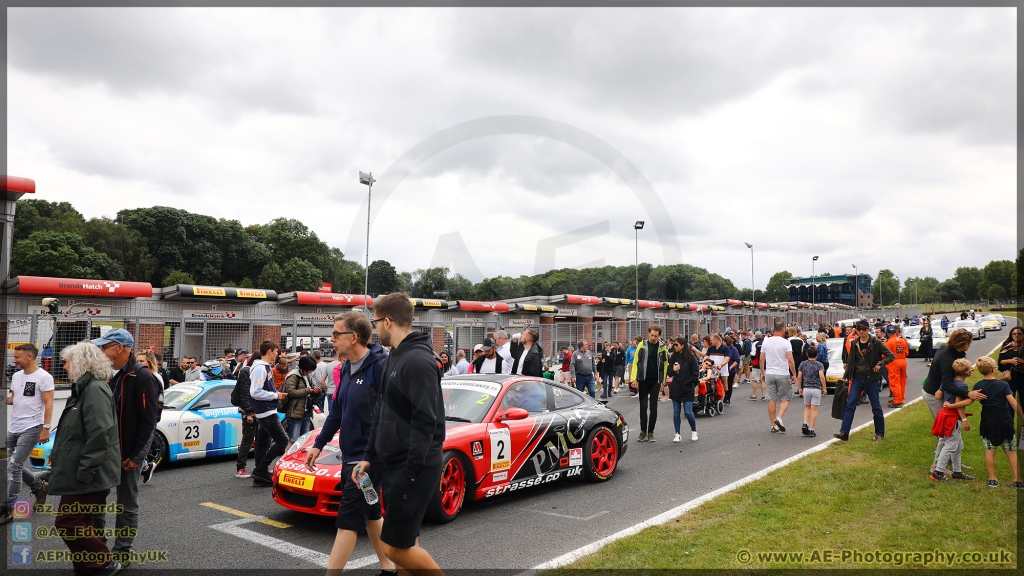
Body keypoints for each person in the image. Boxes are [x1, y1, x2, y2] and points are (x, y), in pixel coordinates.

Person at [352, 293, 445, 573]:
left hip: (413, 466)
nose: (375, 327)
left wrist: (411, 471)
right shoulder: (393, 358)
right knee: (406, 542)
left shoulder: (418, 361)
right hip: (393, 463)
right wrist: (369, 456)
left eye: (376, 321)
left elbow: (425, 421)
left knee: (392, 548)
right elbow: (381, 411)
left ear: (388, 321)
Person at [304, 311, 395, 575]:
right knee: (372, 512)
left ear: (353, 337)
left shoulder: (380, 366)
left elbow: (391, 415)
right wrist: (318, 445)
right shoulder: (345, 367)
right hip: (351, 455)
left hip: (367, 460)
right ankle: (389, 566)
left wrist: (372, 454)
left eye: (336, 333)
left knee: (348, 521)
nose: (331, 339)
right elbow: (337, 414)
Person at [46, 342, 123, 575]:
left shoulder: (94, 389)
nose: (64, 365)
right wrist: (57, 453)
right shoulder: (84, 388)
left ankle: (103, 562)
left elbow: (100, 433)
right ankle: (87, 565)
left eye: (67, 361)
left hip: (86, 471)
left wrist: (86, 471)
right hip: (81, 467)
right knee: (82, 520)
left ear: (80, 363)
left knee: (67, 522)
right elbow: (76, 431)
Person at [92, 328, 162, 565]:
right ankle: (98, 550)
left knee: (126, 504)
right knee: (96, 501)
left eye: (106, 346)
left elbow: (149, 420)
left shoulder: (141, 375)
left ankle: (123, 551)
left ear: (120, 347)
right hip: (106, 454)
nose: (102, 351)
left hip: (127, 455)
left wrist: (137, 456)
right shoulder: (113, 374)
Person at [1, 343, 53, 524]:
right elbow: (13, 399)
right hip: (14, 426)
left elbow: (49, 403)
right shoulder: (16, 376)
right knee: (12, 463)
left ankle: (8, 508)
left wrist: (46, 428)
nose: (13, 360)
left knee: (13, 466)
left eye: (17, 357)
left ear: (29, 357)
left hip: (32, 426)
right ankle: (39, 486)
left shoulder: (44, 377)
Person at [835, 320, 895, 442]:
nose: (861, 331)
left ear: (868, 329)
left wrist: (880, 363)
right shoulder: (854, 343)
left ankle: (879, 433)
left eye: (863, 329)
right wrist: (845, 377)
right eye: (859, 329)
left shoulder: (876, 342)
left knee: (876, 406)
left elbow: (891, 356)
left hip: (871, 379)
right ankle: (844, 432)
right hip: (857, 378)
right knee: (850, 404)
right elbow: (851, 361)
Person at [970, 356, 1024, 489]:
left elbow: (971, 400)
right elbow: (1012, 402)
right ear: (994, 370)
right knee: (1011, 450)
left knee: (990, 449)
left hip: (988, 420)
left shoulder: (978, 385)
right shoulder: (1003, 385)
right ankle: (1018, 480)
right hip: (1004, 420)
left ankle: (992, 478)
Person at [249, 340, 291, 487]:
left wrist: (276, 393)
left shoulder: (264, 367)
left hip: (264, 410)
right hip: (266, 411)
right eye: (276, 352)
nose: (277, 355)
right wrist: (275, 396)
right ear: (269, 351)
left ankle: (259, 477)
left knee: (262, 444)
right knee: (282, 441)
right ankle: (260, 470)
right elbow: (255, 391)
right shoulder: (261, 368)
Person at [930, 359, 976, 483]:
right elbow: (958, 404)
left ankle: (957, 471)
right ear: (968, 372)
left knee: (958, 445)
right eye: (971, 368)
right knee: (950, 445)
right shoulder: (962, 386)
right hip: (952, 417)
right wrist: (964, 419)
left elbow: (938, 396)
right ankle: (938, 472)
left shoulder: (947, 382)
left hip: (944, 415)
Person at [629, 326, 668, 442]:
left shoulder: (662, 347)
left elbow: (665, 365)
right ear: (648, 334)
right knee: (643, 406)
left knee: (653, 408)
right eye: (652, 335)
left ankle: (651, 432)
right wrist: (634, 379)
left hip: (655, 380)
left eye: (656, 336)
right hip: (643, 380)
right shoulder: (642, 345)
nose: (653, 338)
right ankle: (642, 431)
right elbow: (636, 361)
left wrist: (663, 381)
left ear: (659, 336)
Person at [760, 320, 796, 433]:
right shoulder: (786, 342)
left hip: (769, 373)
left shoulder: (766, 342)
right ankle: (779, 417)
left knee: (771, 399)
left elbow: (761, 359)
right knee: (785, 398)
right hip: (782, 373)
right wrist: (794, 373)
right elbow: (790, 359)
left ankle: (773, 425)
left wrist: (762, 373)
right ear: (783, 330)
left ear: (773, 329)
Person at [134, 349, 163, 484]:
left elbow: (159, 400)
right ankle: (146, 466)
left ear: (150, 363)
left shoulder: (155, 377)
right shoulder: (137, 375)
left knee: (141, 445)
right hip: (137, 416)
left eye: (141, 361)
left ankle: (143, 467)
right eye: (137, 361)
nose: (138, 364)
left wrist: (154, 418)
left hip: (149, 418)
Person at [666, 337, 699, 443]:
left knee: (688, 412)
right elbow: (669, 373)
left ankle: (694, 431)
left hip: (687, 388)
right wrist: (674, 370)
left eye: (676, 345)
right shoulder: (673, 357)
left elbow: (695, 374)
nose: (674, 347)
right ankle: (677, 434)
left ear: (682, 345)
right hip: (676, 388)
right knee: (676, 411)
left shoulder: (691, 358)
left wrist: (688, 383)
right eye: (673, 345)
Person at [233, 350, 260, 479]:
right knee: (247, 440)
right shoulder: (246, 371)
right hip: (248, 412)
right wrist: (249, 413)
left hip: (259, 411)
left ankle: (261, 466)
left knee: (261, 440)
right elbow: (244, 394)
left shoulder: (260, 371)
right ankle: (240, 468)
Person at [797, 346, 826, 437]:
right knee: (815, 409)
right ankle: (811, 429)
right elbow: (821, 376)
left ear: (807, 354)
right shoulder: (819, 364)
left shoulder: (803, 364)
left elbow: (799, 377)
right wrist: (824, 387)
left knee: (807, 407)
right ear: (817, 355)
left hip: (806, 388)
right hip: (816, 388)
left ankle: (805, 422)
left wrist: (799, 388)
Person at [997, 326, 1024, 406]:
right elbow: (1000, 361)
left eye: (1019, 333)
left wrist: (1022, 361)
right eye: (1014, 333)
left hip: (1022, 376)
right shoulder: (1006, 346)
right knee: (1009, 401)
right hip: (1009, 377)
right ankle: (1009, 418)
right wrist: (1010, 361)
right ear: (1011, 335)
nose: (1017, 335)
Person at [884, 324, 909, 408]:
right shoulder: (903, 340)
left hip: (893, 363)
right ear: (895, 332)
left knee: (894, 382)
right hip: (903, 361)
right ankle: (901, 398)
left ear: (887, 333)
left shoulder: (888, 342)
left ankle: (897, 401)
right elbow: (906, 353)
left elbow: (884, 355)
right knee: (902, 381)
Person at [723, 334, 741, 407]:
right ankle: (723, 398)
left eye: (723, 341)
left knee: (729, 385)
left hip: (730, 370)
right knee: (723, 384)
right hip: (722, 370)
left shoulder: (733, 349)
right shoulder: (722, 349)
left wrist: (730, 367)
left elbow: (737, 360)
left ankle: (728, 399)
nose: (722, 343)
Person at [750, 330, 766, 401]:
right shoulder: (765, 342)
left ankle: (754, 395)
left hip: (756, 364)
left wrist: (752, 359)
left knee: (754, 380)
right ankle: (764, 395)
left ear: (755, 336)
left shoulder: (754, 343)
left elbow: (753, 354)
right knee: (763, 380)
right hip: (765, 364)